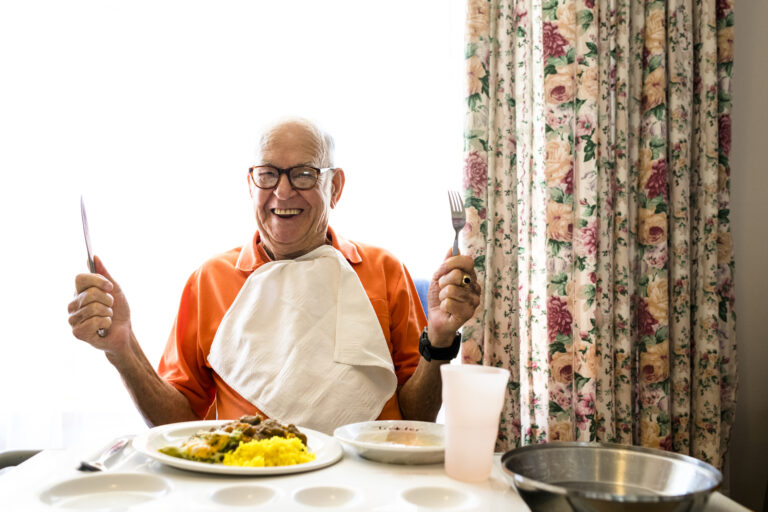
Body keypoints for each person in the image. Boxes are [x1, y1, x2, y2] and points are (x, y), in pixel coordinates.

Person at [67, 118, 480, 434]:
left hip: (368, 479)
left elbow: (417, 417)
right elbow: (178, 424)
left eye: (303, 174)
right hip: (251, 486)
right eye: (268, 174)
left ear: (334, 187)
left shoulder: (384, 270)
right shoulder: (208, 280)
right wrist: (122, 349)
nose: (283, 193)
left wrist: (441, 340)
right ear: (251, 184)